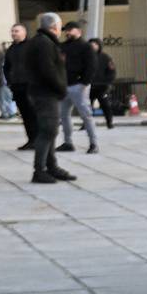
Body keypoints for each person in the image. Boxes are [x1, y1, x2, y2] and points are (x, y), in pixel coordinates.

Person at [26, 13, 74, 184]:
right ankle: (39, 170)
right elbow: (48, 71)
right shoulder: (44, 44)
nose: (61, 30)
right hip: (45, 93)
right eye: (60, 27)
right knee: (48, 130)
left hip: (45, 92)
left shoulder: (43, 41)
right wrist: (61, 88)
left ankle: (52, 167)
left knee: (50, 131)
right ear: (54, 27)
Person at [57, 22, 100, 154]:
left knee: (85, 115)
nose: (67, 32)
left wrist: (84, 82)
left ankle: (93, 143)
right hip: (64, 85)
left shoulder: (86, 47)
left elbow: (91, 66)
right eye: (66, 30)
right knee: (64, 115)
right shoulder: (62, 46)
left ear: (79, 31)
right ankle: (68, 142)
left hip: (78, 85)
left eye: (70, 30)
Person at [5, 24, 37, 150]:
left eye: (16, 31)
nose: (13, 33)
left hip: (30, 86)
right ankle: (31, 139)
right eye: (12, 31)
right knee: (25, 115)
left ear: (24, 32)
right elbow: (6, 67)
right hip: (17, 86)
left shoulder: (32, 46)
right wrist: (9, 81)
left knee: (33, 114)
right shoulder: (11, 48)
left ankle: (38, 140)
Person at [88, 38, 117, 129]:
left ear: (99, 45)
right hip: (89, 86)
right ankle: (86, 124)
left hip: (102, 86)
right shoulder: (86, 57)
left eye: (94, 45)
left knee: (105, 105)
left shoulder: (106, 57)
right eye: (91, 45)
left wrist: (107, 82)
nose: (93, 47)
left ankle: (109, 122)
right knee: (87, 107)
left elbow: (112, 72)